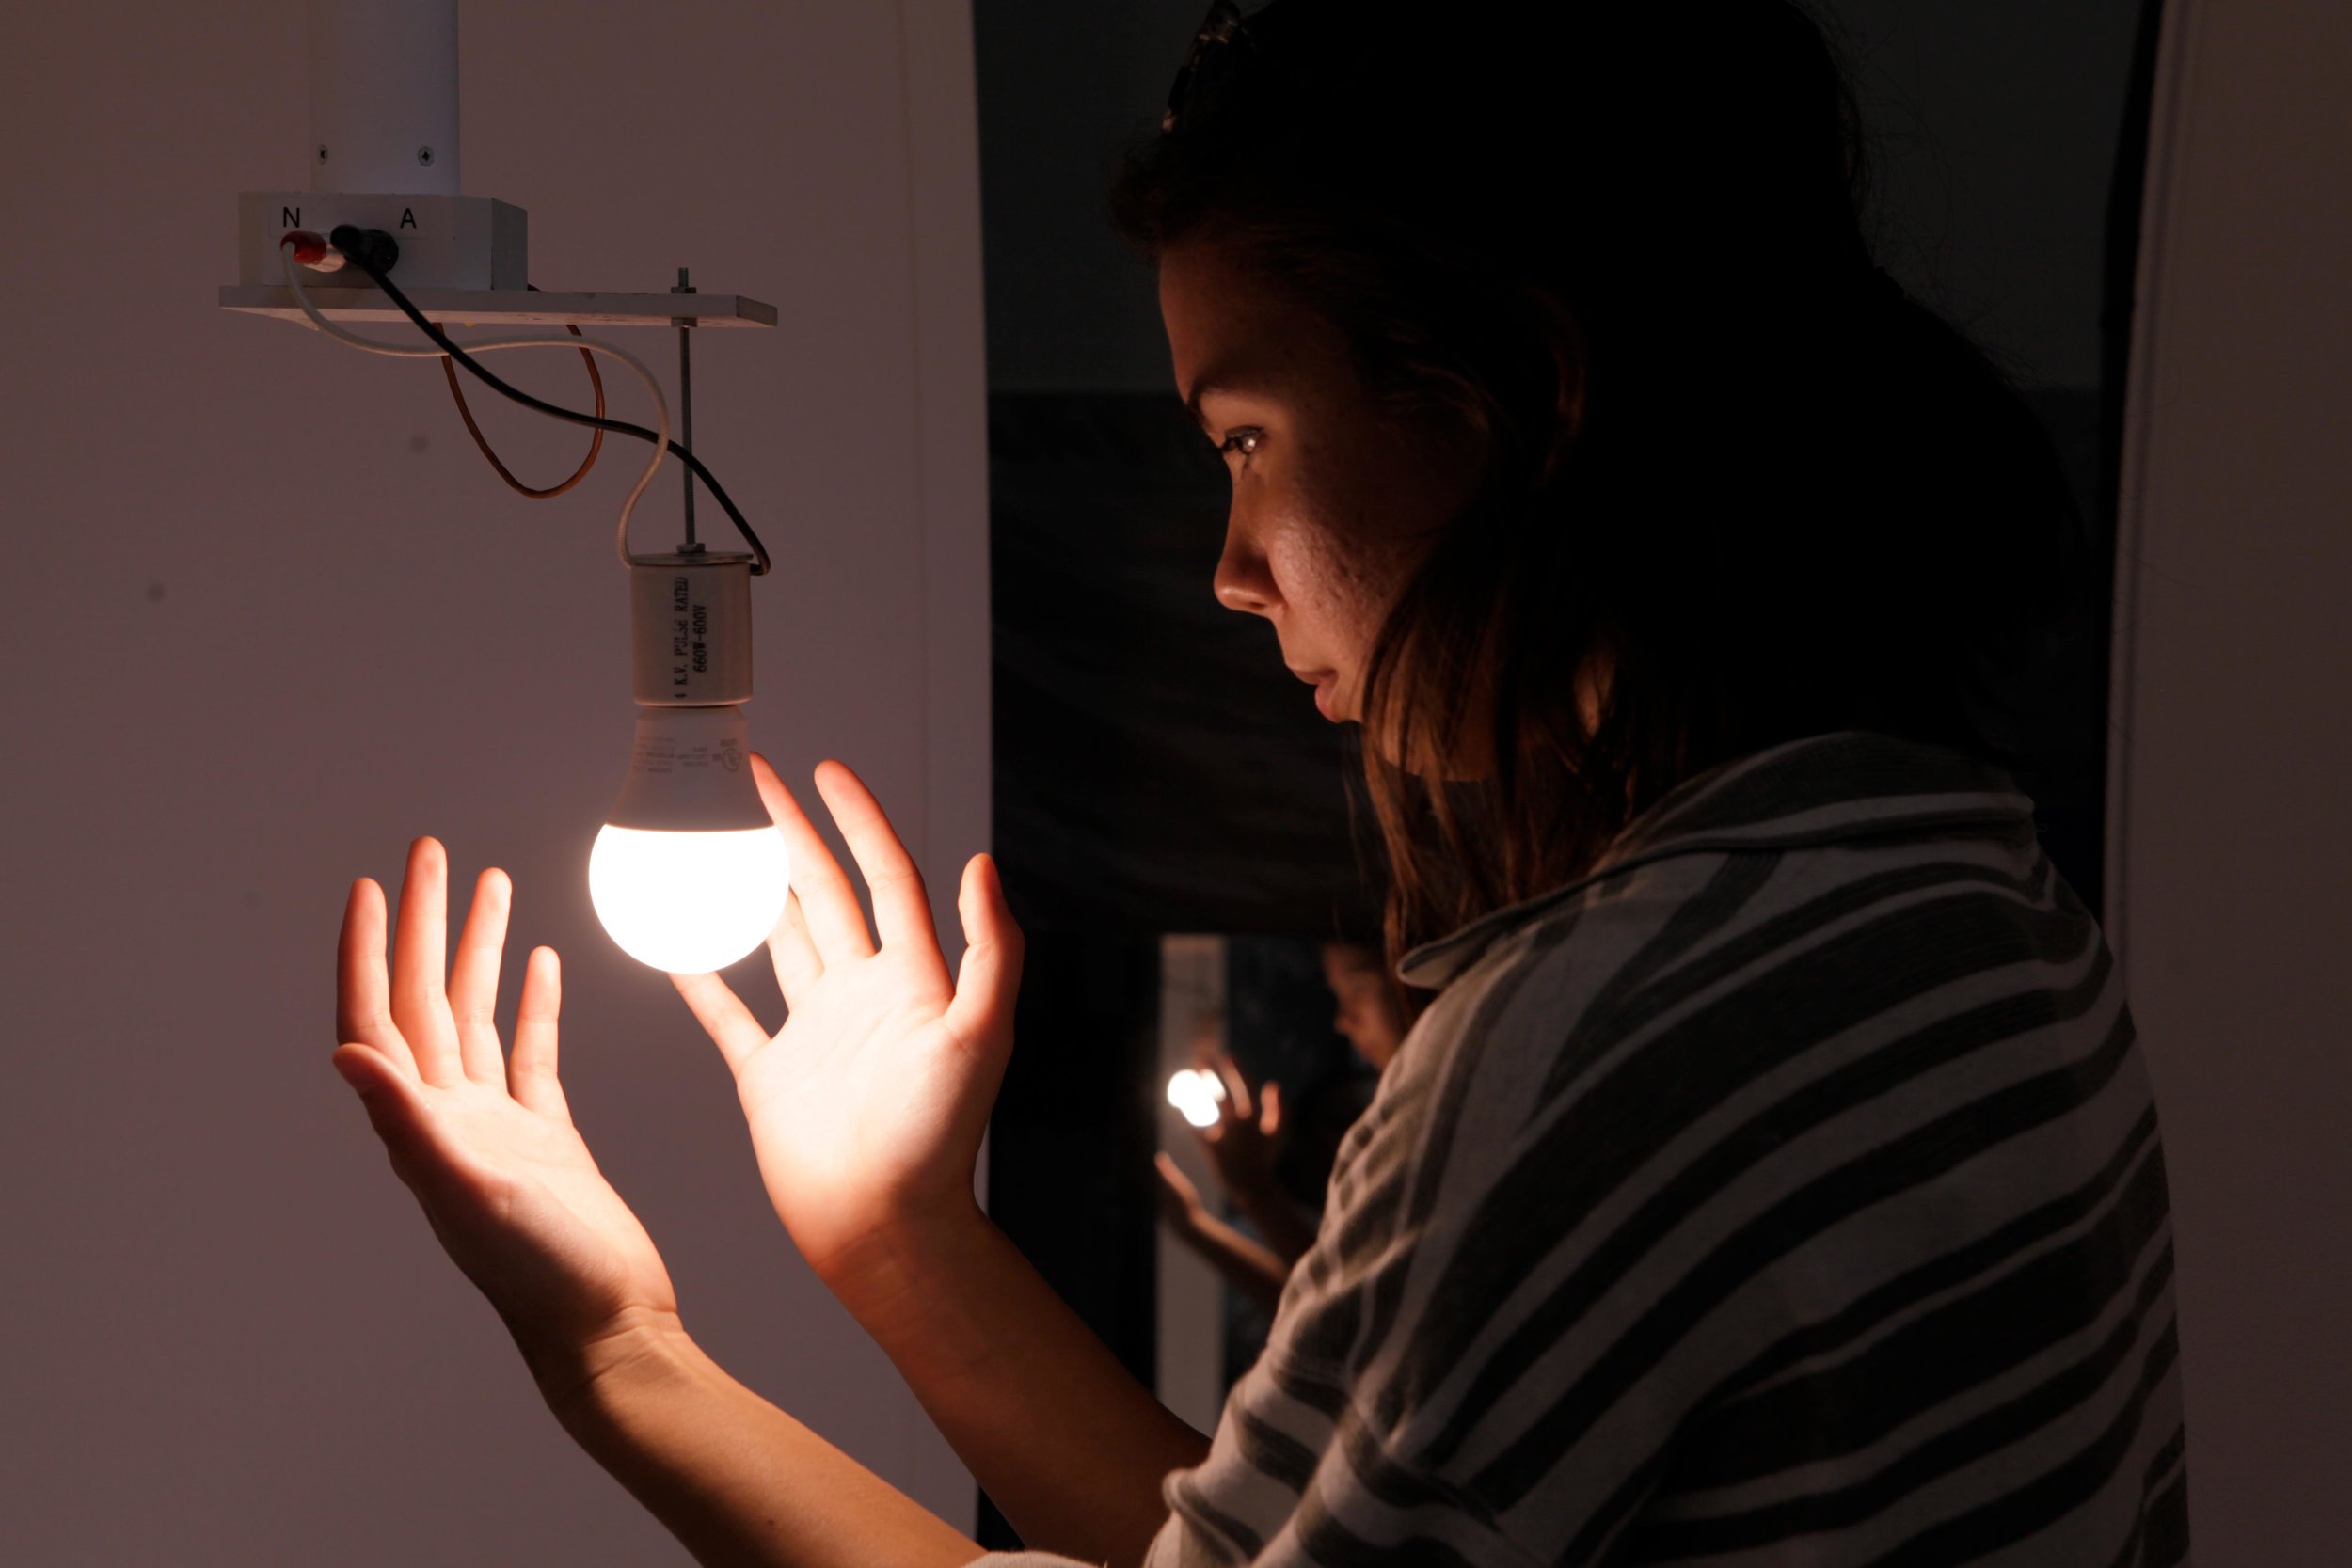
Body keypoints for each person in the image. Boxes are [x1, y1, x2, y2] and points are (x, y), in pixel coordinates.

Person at [326, 4, 2185, 1565]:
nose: (1228, 566)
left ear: (1507, 396)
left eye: (1244, 438)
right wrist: (900, 1233)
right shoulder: (1955, 878)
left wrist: (616, 1349)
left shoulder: (1609, 1035)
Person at [1155, 943, 1409, 1314]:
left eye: (1357, 986)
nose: (1342, 1019)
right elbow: (1308, 1307)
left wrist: (1255, 1191)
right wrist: (1193, 1224)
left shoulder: (1442, 1119)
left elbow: (1354, 1310)